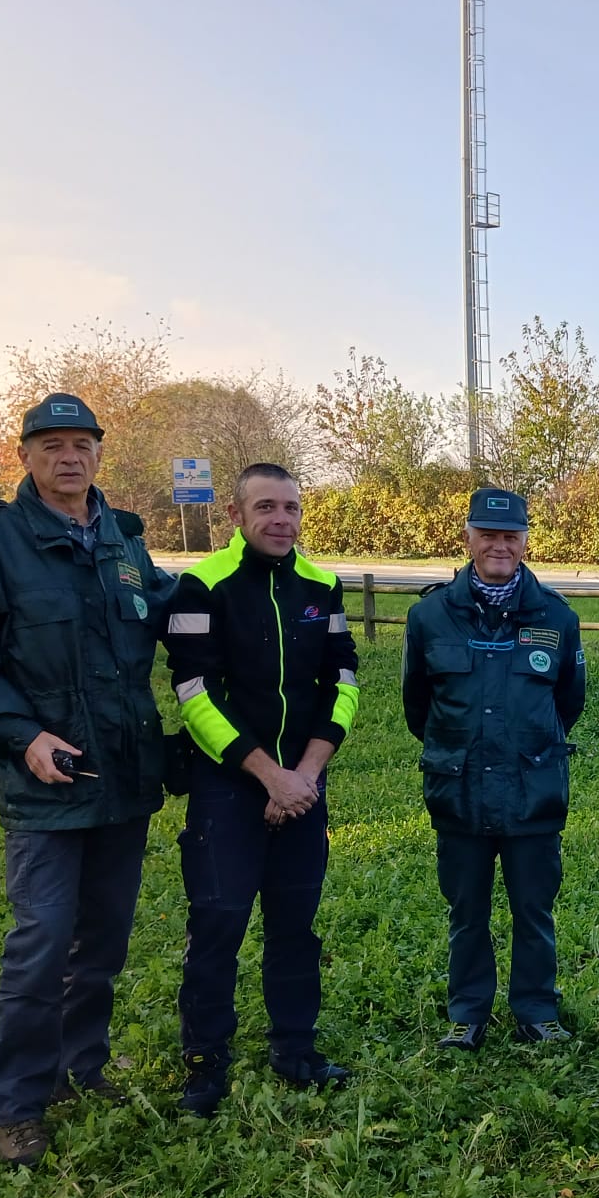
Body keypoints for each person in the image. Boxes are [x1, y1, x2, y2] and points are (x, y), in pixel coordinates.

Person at [0, 392, 175, 1167]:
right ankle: (16, 1102)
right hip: (47, 784)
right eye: (52, 446)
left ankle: (82, 1067)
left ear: (99, 452)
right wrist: (24, 736)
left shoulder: (124, 540)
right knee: (41, 943)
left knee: (101, 941)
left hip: (124, 777)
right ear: (26, 456)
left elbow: (174, 615)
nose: (69, 458)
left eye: (81, 445)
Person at [165, 464, 360, 1115]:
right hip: (228, 787)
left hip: (304, 784)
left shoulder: (322, 585)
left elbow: (344, 682)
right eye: (266, 507)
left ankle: (295, 1050)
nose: (281, 520)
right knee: (218, 924)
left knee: (295, 927)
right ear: (236, 515)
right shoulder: (202, 585)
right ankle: (205, 1064)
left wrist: (305, 773)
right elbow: (193, 690)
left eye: (292, 508)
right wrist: (267, 774)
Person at [404, 486, 585, 1051]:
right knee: (467, 912)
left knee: (534, 910)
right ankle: (467, 1014)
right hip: (459, 792)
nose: (499, 546)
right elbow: (417, 707)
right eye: (488, 535)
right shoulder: (429, 615)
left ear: (526, 541)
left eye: (510, 536)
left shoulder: (557, 616)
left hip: (534, 791)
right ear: (468, 538)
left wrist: (523, 744)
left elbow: (568, 702)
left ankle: (537, 1009)